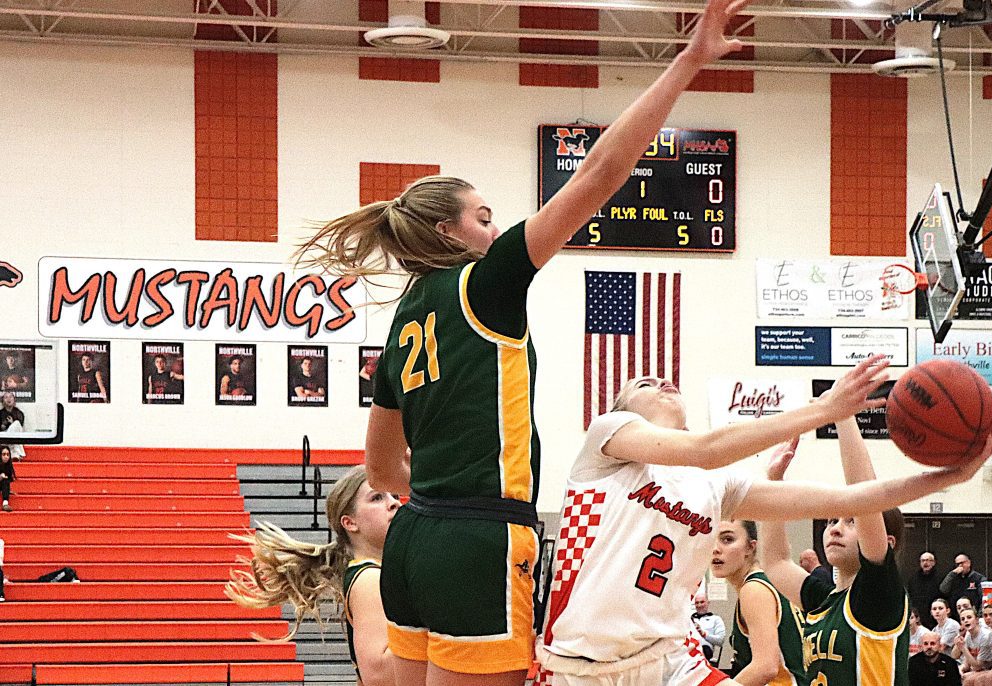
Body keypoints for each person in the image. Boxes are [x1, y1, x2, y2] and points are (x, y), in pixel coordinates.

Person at [325, 0, 815, 682]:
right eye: (483, 217)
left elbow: (381, 473)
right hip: (480, 538)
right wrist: (688, 60)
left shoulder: (405, 317)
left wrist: (438, 506)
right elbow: (598, 176)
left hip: (412, 539)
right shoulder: (484, 282)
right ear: (448, 234)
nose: (494, 232)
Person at [537, 368, 992, 686]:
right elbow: (707, 448)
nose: (661, 382)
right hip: (578, 662)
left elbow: (847, 498)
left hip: (668, 660)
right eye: (643, 383)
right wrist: (823, 409)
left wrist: (949, 478)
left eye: (664, 380)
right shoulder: (607, 440)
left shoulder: (716, 486)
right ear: (623, 408)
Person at [761, 410, 992, 686]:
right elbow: (775, 562)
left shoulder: (879, 595)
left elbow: (865, 495)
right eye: (831, 520)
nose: (835, 528)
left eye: (851, 521)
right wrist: (772, 480)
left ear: (886, 541)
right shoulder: (825, 600)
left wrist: (843, 413)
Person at [226, 466, 400, 686]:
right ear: (350, 522)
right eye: (376, 498)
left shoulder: (377, 573)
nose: (394, 502)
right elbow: (378, 676)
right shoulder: (368, 579)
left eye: (394, 495)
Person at [711, 519, 808, 685]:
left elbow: (766, 667)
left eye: (727, 539)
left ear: (750, 547)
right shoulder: (769, 582)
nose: (715, 549)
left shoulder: (754, 589)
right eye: (711, 540)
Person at [955, 607, 992, 675]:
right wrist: (961, 669)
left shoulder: (985, 636)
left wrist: (963, 648)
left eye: (969, 617)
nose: (966, 621)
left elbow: (978, 666)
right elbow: (957, 657)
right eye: (963, 619)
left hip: (989, 670)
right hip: (976, 670)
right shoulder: (968, 634)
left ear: (977, 620)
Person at [909, 552, 943, 630]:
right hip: (919, 617)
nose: (925, 563)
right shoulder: (913, 579)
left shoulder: (940, 578)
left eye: (928, 560)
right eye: (923, 560)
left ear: (933, 562)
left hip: (935, 618)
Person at [692, 593, 726, 663]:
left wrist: (704, 634)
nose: (699, 605)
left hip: (705, 650)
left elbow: (720, 640)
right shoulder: (689, 619)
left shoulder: (716, 619)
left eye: (702, 602)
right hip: (690, 648)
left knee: (702, 649)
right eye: (697, 603)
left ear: (708, 603)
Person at [0, 393, 26, 460]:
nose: (8, 399)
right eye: (6, 397)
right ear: (2, 401)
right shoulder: (0, 413)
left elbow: (19, 427)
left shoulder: (19, 413)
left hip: (15, 437)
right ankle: (17, 454)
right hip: (3, 438)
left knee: (16, 423)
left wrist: (12, 424)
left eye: (10, 397)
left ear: (14, 400)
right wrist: (3, 426)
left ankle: (14, 453)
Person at [0, 445, 15, 511]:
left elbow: (9, 479)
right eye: (4, 454)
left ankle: (5, 503)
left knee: (5, 480)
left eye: (8, 454)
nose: (6, 457)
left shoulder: (8, 466)